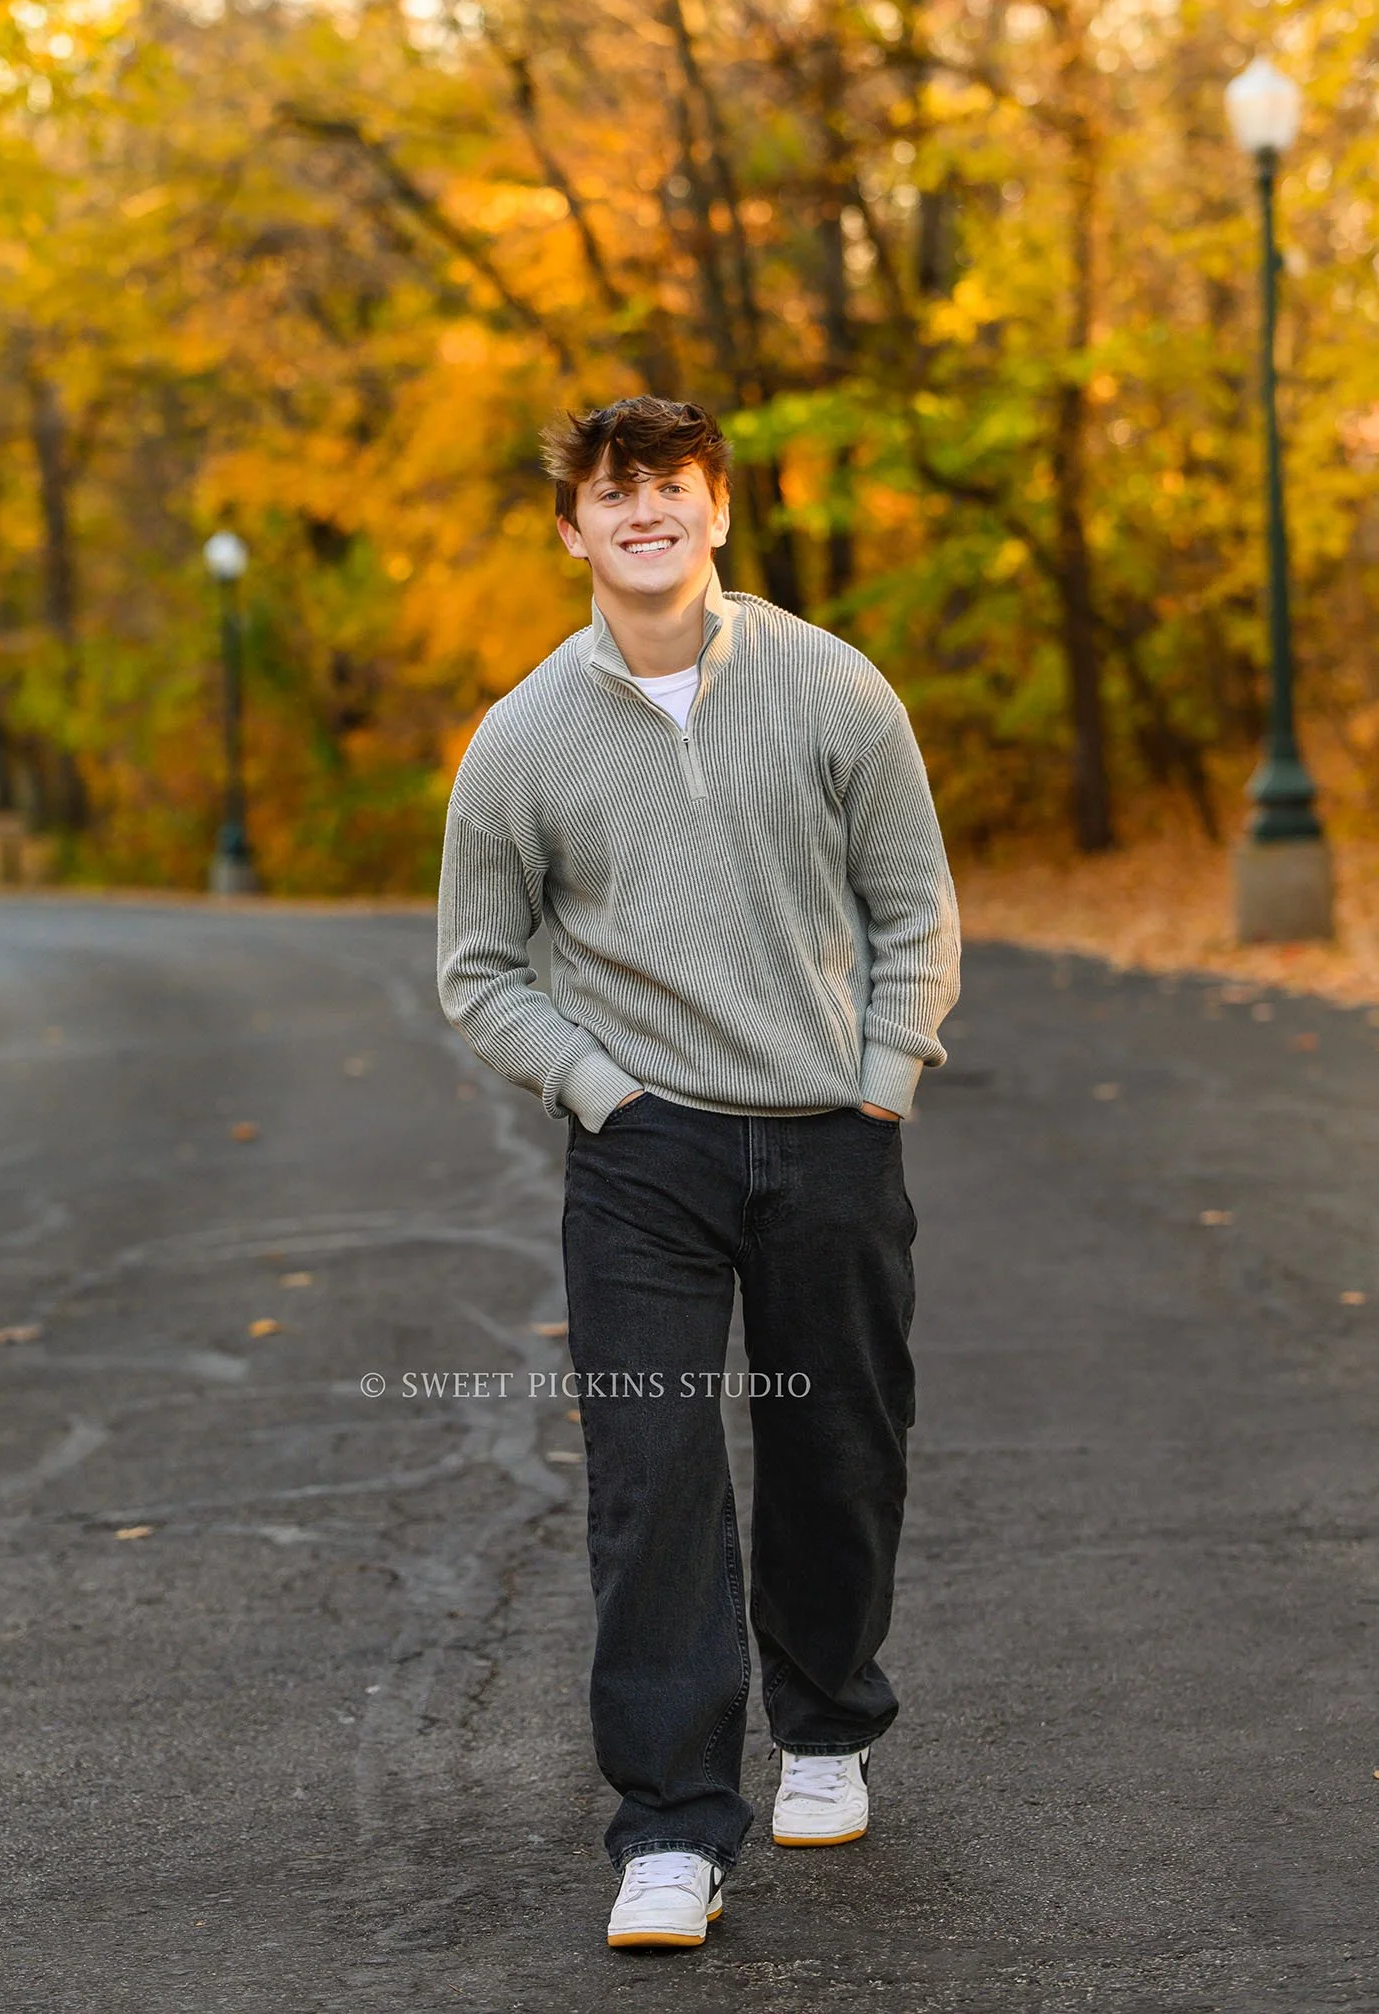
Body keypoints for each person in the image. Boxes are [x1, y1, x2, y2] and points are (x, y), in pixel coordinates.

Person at [435, 394, 960, 1950]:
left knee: (838, 1452)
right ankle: (670, 1825)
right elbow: (478, 969)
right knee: (652, 1478)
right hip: (643, 1148)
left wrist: (881, 1078)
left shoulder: (831, 686)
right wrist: (596, 1088)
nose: (643, 510)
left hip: (829, 1133)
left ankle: (824, 1725)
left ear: (717, 510)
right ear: (573, 530)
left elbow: (913, 903)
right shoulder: (525, 736)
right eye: (613, 492)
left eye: (670, 485)